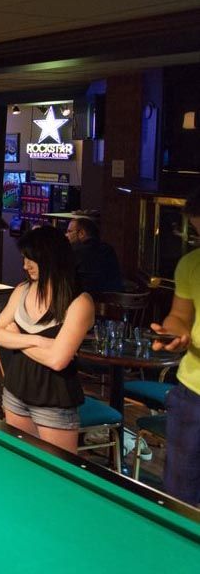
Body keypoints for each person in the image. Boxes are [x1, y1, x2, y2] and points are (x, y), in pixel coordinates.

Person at [0, 226, 93, 452]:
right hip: (15, 392)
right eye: (24, 259)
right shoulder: (22, 290)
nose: (25, 266)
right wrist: (37, 341)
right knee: (20, 464)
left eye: (31, 260)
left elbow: (58, 360)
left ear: (50, 258)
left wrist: (18, 337)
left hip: (54, 400)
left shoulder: (80, 303)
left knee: (59, 472)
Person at [150, 188, 200, 506]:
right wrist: (175, 332)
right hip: (191, 393)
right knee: (180, 498)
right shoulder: (191, 264)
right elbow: (180, 316)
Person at [65, 217, 124, 295]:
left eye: (69, 231)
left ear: (81, 233)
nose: (66, 235)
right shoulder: (109, 249)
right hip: (113, 302)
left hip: (84, 301)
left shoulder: (75, 251)